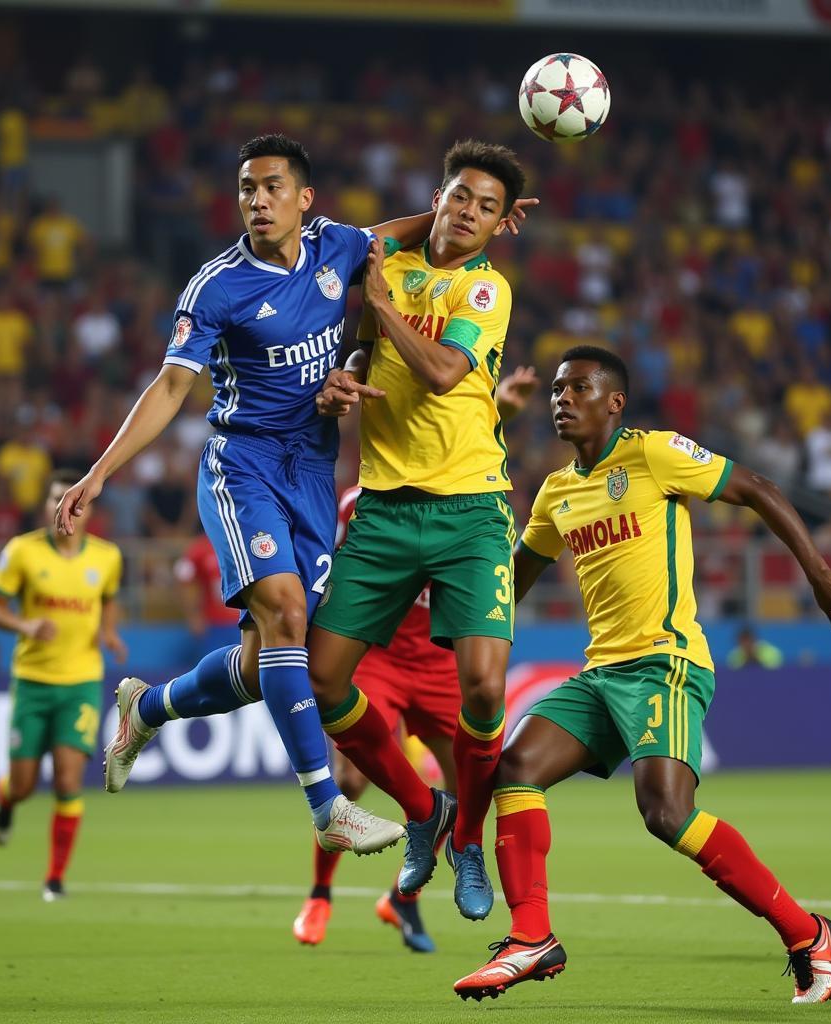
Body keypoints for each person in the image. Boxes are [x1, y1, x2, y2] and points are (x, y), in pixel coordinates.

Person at [55, 134, 534, 854]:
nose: (257, 200)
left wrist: (467, 214)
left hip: (313, 469)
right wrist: (98, 474)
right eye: (247, 188)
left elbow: (398, 233)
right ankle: (325, 803)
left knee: (273, 659)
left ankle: (146, 707)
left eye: (272, 187)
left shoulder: (336, 248)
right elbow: (172, 386)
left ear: (304, 199)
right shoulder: (214, 286)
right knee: (283, 613)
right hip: (243, 462)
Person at [452, 346, 831, 1004]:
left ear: (614, 402)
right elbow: (520, 572)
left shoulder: (653, 453)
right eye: (557, 390)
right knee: (516, 769)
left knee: (666, 813)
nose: (561, 399)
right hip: (601, 673)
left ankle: (804, 930)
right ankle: (530, 936)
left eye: (578, 388)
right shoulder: (559, 490)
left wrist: (819, 573)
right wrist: (466, 603)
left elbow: (757, 489)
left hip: (665, 661)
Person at [308, 140, 527, 922]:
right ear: (437, 199)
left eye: (488, 207)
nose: (470, 213)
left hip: (471, 508)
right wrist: (344, 378)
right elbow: (364, 249)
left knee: (483, 686)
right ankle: (421, 809)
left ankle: (468, 838)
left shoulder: (485, 291)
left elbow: (439, 373)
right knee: (325, 680)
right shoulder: (387, 262)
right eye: (460, 196)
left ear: (503, 227)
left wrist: (382, 308)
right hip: (385, 507)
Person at [294, 365, 539, 952]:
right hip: (383, 658)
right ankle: (319, 895)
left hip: (437, 666)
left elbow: (452, 445)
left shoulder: (471, 503)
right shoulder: (362, 506)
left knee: (470, 790)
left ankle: (402, 900)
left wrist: (498, 406)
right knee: (351, 777)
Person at [0, 469, 127, 901]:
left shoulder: (107, 557)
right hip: (32, 681)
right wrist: (24, 623)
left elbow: (109, 600)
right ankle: (7, 801)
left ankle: (55, 879)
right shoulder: (22, 552)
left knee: (68, 780)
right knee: (24, 784)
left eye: (71, 500)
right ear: (45, 506)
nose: (60, 507)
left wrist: (109, 633)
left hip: (81, 682)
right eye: (52, 499)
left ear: (86, 509)